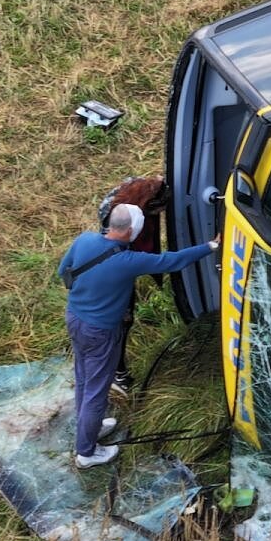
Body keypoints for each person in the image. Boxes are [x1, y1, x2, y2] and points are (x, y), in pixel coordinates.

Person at [59, 203, 220, 468]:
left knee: (84, 377)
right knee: (97, 390)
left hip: (75, 318)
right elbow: (171, 261)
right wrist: (210, 246)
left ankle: (91, 427)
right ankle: (86, 453)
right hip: (100, 330)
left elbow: (62, 272)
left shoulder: (84, 240)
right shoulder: (127, 261)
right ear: (131, 230)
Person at [95, 176, 168, 395]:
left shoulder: (138, 191)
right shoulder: (115, 217)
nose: (160, 216)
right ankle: (117, 375)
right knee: (121, 323)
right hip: (113, 279)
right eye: (158, 211)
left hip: (117, 268)